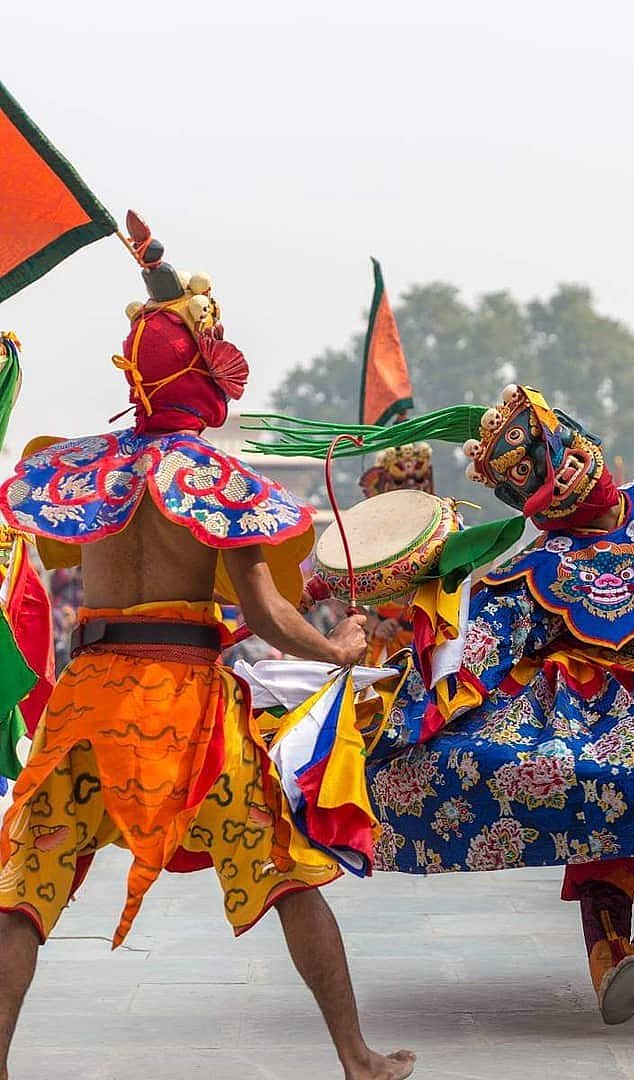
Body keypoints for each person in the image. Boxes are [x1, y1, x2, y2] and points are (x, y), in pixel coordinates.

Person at [251, 382, 634, 1025]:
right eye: (528, 472)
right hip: (611, 712)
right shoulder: (530, 573)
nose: (558, 465)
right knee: (609, 811)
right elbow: (468, 656)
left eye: (554, 446)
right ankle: (609, 954)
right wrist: (376, 717)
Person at [0, 219, 414, 1080]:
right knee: (289, 872)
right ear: (203, 377)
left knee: (22, 893)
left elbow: (64, 553)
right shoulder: (211, 482)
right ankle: (356, 1058)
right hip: (183, 709)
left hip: (88, 700)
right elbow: (263, 614)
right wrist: (338, 646)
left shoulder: (90, 470)